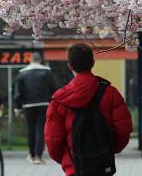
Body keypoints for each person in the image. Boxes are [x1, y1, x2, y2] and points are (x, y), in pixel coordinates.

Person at [45, 44, 132, 176]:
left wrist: (66, 159)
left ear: (70, 66)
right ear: (92, 63)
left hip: (74, 166)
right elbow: (123, 128)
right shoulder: (110, 93)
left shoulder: (59, 99)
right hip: (103, 164)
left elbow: (53, 139)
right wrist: (110, 149)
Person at [14, 52, 57, 164]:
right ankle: (38, 156)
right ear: (40, 60)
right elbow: (54, 89)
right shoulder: (47, 72)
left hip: (28, 105)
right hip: (43, 104)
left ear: (31, 60)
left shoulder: (22, 73)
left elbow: (18, 92)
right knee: (40, 129)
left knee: (31, 130)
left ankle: (31, 155)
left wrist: (17, 107)